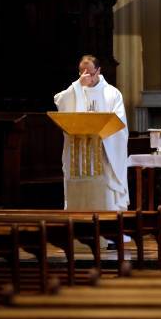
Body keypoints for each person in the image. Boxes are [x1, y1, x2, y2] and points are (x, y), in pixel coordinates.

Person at [54, 55, 130, 211]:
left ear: (99, 71)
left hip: (103, 150)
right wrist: (77, 85)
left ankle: (109, 219)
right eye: (82, 72)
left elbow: (119, 123)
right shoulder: (76, 89)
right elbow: (59, 101)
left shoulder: (112, 93)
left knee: (105, 188)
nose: (86, 77)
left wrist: (102, 134)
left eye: (90, 73)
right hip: (79, 152)